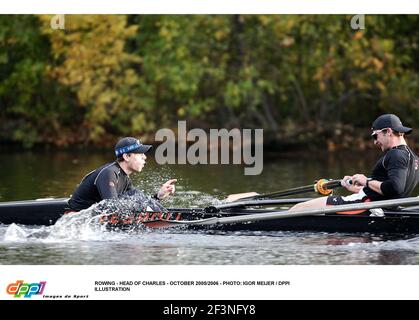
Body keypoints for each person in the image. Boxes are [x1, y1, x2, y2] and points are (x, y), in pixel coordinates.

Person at [290, 114, 419, 214]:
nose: (375, 142)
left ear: (388, 131)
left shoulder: (396, 155)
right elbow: (390, 194)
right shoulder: (414, 159)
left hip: (363, 206)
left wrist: (366, 182)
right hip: (375, 207)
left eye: (376, 136)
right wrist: (357, 187)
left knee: (298, 209)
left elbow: (395, 188)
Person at [68, 137, 176, 211]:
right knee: (137, 199)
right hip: (75, 217)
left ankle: (166, 216)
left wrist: (158, 196)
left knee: (137, 195)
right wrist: (141, 206)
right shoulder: (109, 173)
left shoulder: (125, 178)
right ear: (126, 157)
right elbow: (112, 206)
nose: (144, 157)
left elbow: (135, 201)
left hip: (96, 216)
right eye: (140, 154)